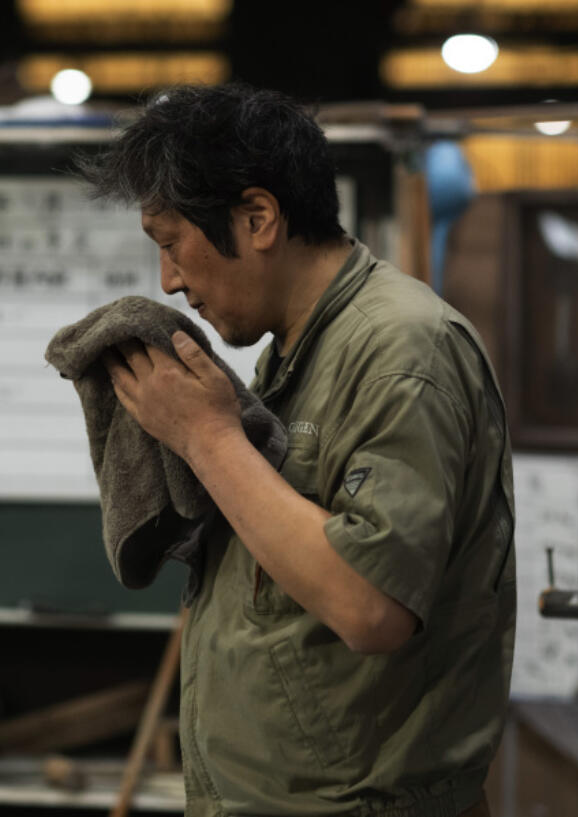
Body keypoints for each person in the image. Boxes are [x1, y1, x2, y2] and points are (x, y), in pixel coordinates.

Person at [76, 84, 516, 817]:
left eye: (170, 242)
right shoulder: (294, 352)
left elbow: (371, 607)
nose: (170, 280)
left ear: (258, 218)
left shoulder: (402, 346)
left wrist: (206, 436)